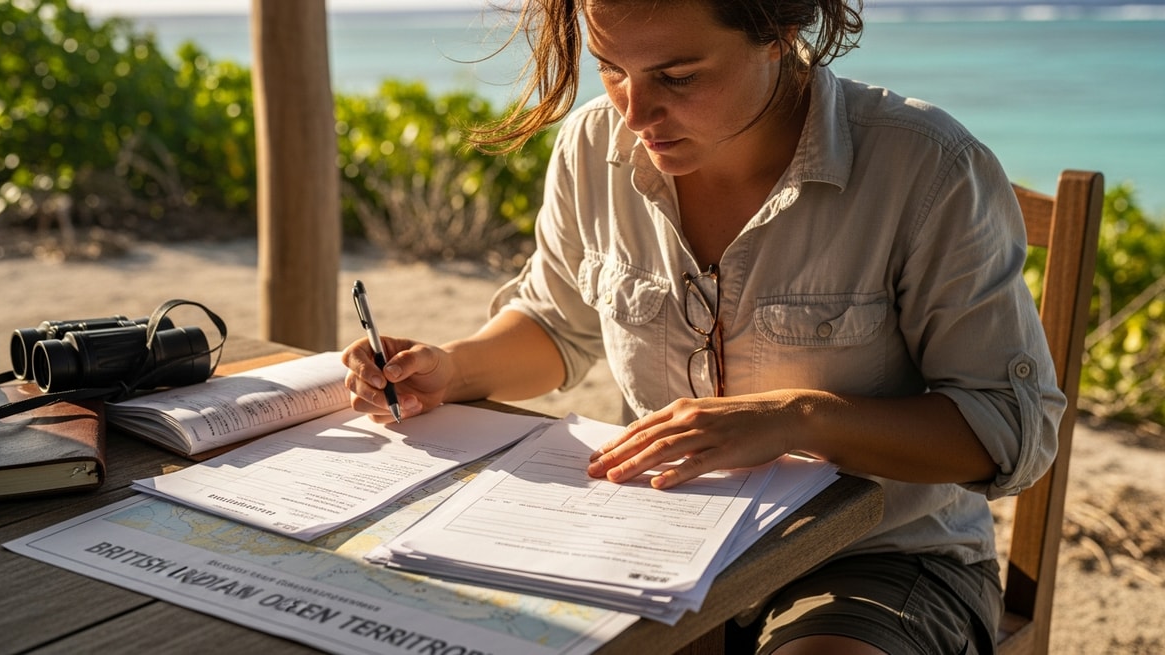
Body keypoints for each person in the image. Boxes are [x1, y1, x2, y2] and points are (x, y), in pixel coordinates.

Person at [343, 0, 1065, 652]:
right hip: (652, 548)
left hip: (875, 561)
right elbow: (555, 325)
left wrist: (800, 418)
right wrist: (450, 368)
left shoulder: (928, 167)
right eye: (611, 70)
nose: (633, 112)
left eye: (679, 77)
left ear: (779, 30)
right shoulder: (592, 148)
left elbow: (1011, 429)